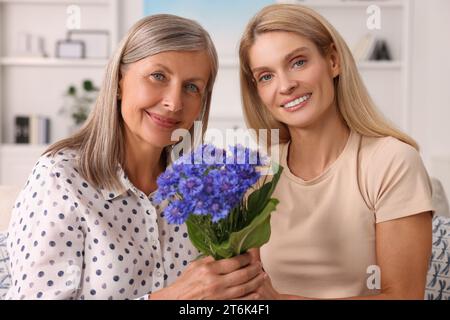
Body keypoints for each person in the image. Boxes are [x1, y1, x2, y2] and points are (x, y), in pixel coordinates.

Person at [6, 14, 264, 300]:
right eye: (158, 76)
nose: (174, 102)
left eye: (192, 87)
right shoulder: (59, 179)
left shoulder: (200, 189)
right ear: (119, 81)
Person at [239, 4, 433, 299]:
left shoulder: (391, 162)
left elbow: (404, 296)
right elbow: (249, 288)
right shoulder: (258, 170)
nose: (286, 85)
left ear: (333, 61)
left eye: (298, 62)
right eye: (266, 76)